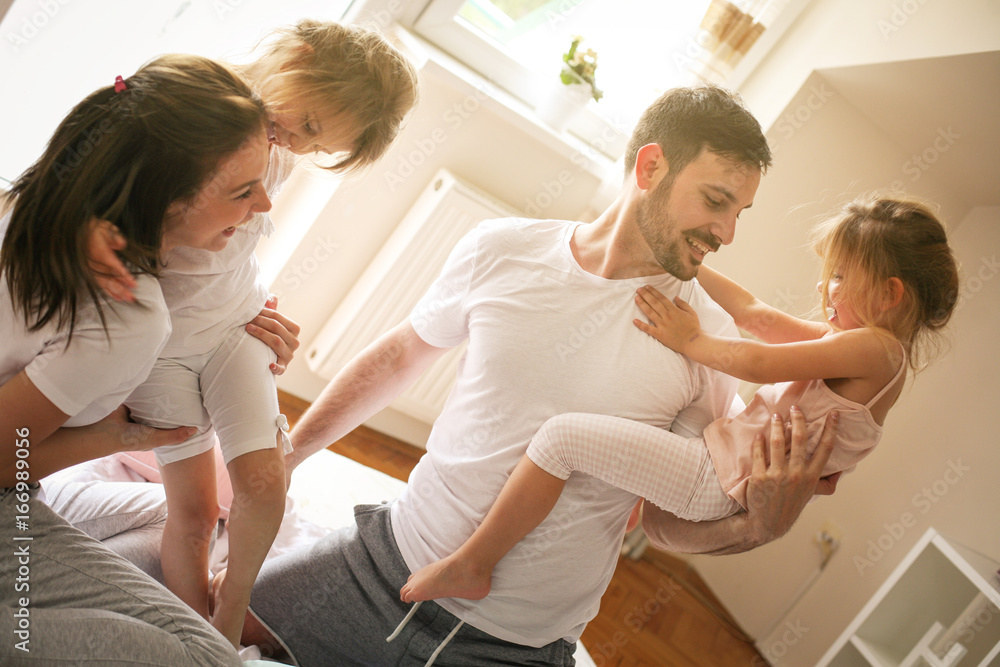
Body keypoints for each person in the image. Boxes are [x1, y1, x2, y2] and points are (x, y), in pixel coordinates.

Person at [242, 84, 841, 666]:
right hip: (380, 564)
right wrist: (285, 460)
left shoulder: (704, 338)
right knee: (193, 607)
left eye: (740, 213)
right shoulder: (503, 248)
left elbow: (663, 524)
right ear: (652, 166)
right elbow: (401, 357)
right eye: (715, 201)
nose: (726, 233)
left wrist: (759, 525)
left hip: (511, 647)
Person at [399, 194, 960, 604]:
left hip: (715, 481)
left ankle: (474, 562)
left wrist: (691, 339)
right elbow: (757, 316)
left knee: (561, 439)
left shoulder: (877, 352)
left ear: (890, 294)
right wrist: (684, 259)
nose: (823, 288)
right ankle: (621, 507)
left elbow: (758, 360)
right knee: (688, 389)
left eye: (840, 276)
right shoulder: (861, 343)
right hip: (720, 457)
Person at [78, 20, 420, 647]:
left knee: (268, 484)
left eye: (314, 144)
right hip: (166, 348)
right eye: (310, 126)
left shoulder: (274, 141)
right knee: (196, 513)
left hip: (233, 329)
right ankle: (196, 638)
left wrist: (257, 302)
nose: (296, 142)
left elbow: (228, 244)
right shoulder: (190, 116)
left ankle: (230, 611)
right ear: (297, 57)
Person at [0, 53, 277, 666]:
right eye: (241, 190)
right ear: (163, 197)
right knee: (206, 657)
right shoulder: (127, 315)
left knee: (184, 518)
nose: (262, 203)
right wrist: (113, 436)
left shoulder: (33, 193)